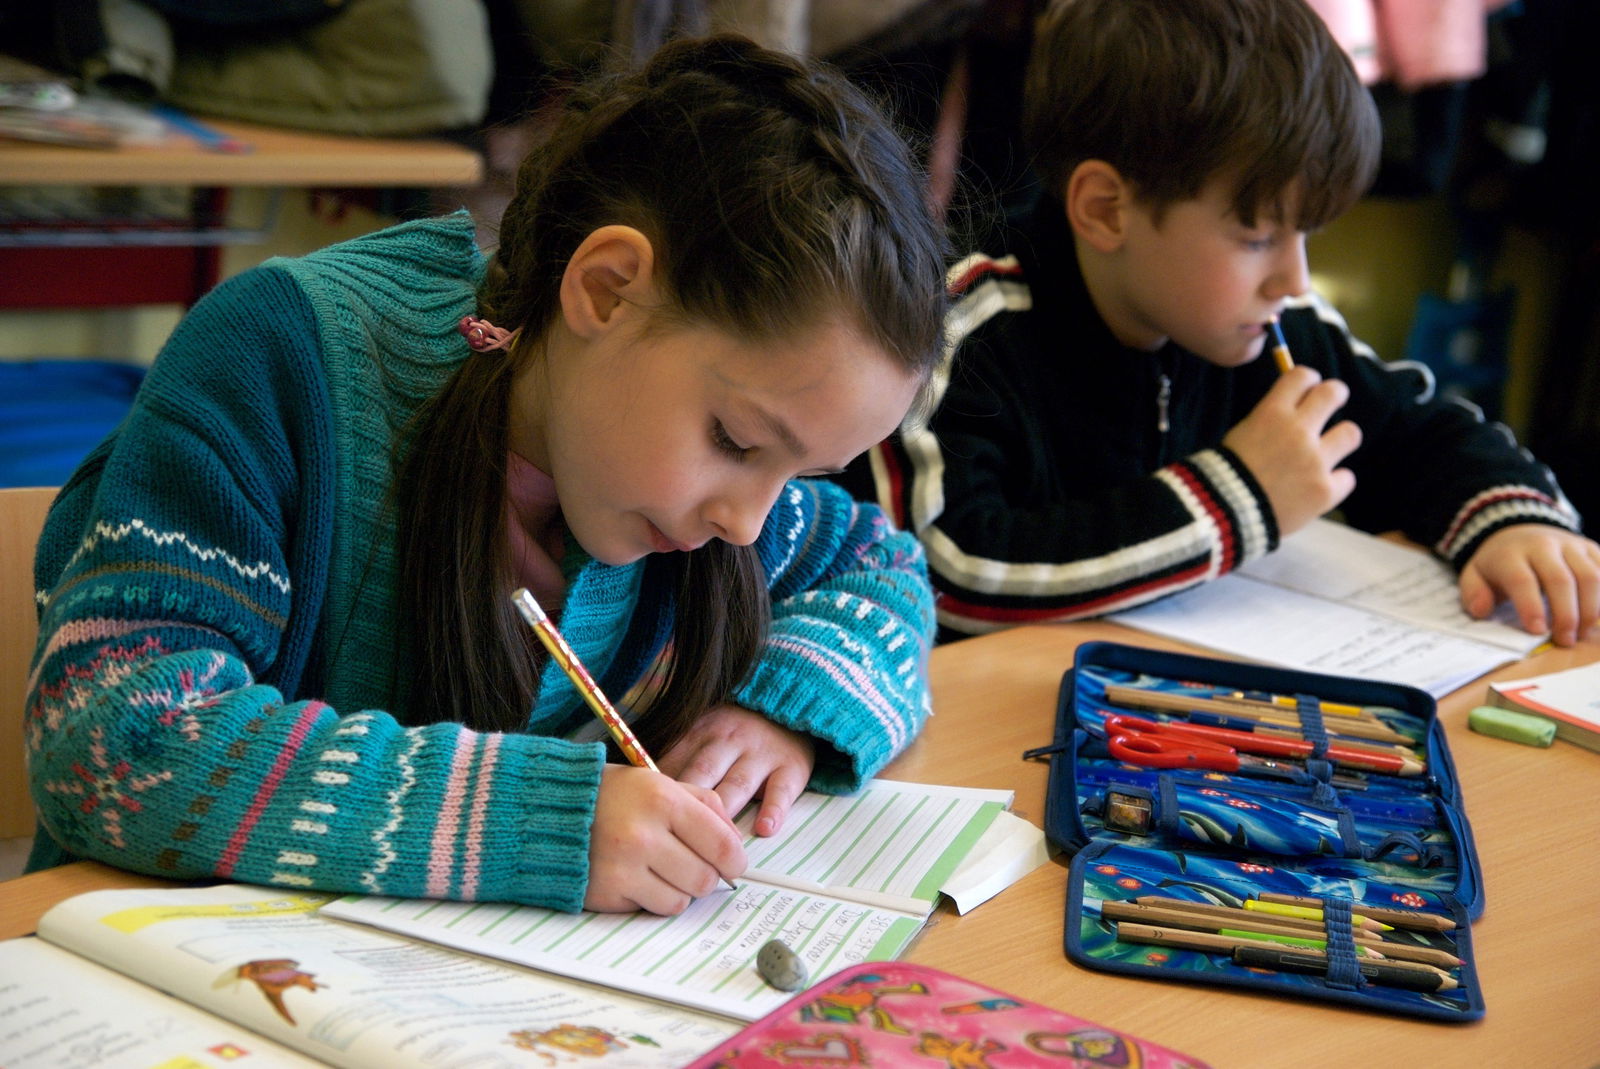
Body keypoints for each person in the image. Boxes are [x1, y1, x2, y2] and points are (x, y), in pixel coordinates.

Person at [23, 34, 948, 916]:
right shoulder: (284, 368)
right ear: (608, 289)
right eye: (738, 441)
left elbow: (881, 571)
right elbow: (112, 739)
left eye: (798, 475)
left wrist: (780, 712)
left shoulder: (702, 503)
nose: (751, 521)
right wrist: (540, 821)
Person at [835, 0, 1600, 645]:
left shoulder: (1278, 327)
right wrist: (1241, 499)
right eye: (1258, 236)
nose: (1294, 278)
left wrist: (1511, 521)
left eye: (1308, 234)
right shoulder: (957, 332)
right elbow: (940, 574)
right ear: (1106, 209)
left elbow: (1419, 432)